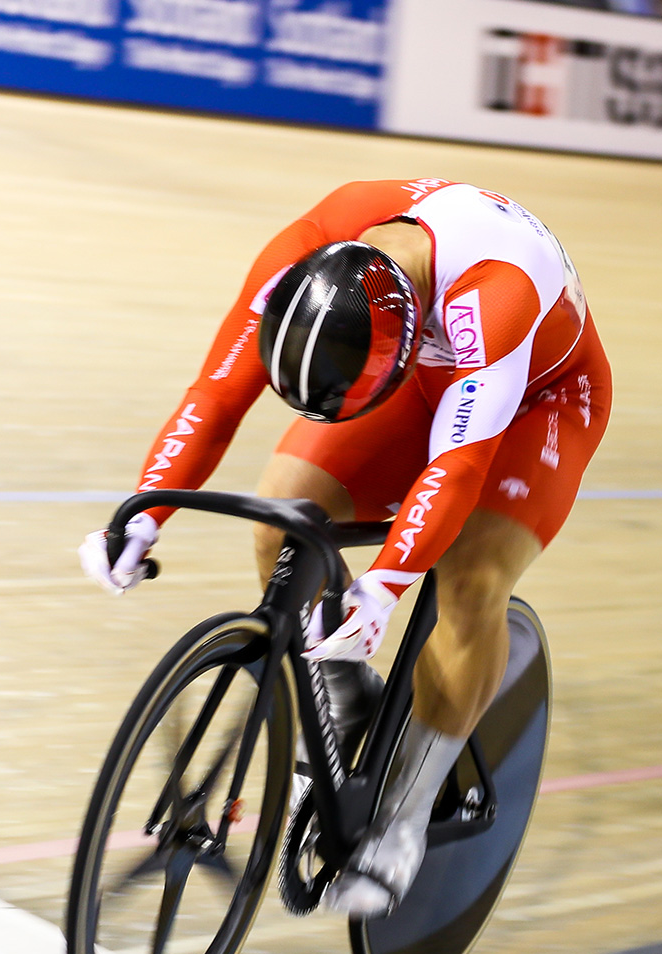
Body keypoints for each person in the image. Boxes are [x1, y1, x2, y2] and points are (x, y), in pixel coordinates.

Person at [78, 180, 611, 916]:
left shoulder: (500, 290)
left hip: (537, 403)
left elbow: (457, 466)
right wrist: (144, 515)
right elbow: (218, 392)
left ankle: (404, 819)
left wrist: (385, 585)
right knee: (281, 517)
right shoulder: (319, 238)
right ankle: (346, 698)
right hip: (424, 380)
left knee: (468, 577)